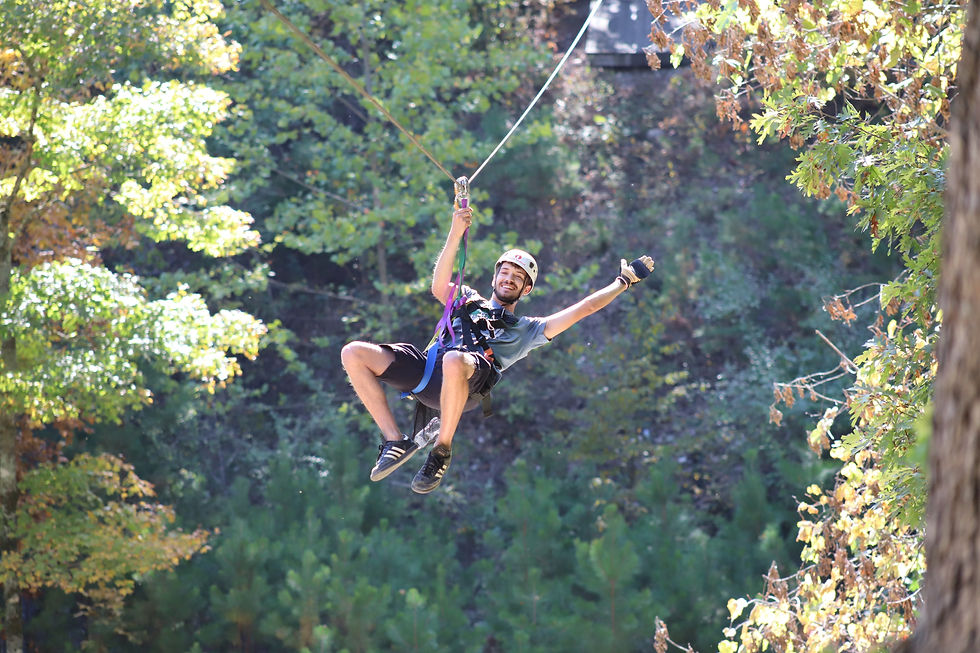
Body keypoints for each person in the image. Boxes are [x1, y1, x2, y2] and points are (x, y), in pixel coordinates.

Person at [341, 205, 654, 494]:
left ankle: (441, 450)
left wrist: (622, 282)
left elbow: (584, 307)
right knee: (353, 352)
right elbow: (438, 286)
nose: (509, 278)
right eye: (505, 272)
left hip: (466, 382)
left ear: (526, 289)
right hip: (427, 374)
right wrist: (456, 229)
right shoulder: (466, 298)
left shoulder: (529, 329)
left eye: (518, 277)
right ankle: (395, 441)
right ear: (495, 276)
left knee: (453, 359)